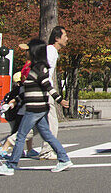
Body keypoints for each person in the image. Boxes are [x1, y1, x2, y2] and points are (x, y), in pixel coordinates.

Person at [0, 39, 72, 175]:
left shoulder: (39, 68)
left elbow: (47, 86)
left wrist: (59, 100)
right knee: (48, 135)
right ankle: (64, 159)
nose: (26, 53)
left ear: (34, 52)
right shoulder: (35, 68)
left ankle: (11, 165)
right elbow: (27, 91)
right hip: (38, 108)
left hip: (34, 109)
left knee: (21, 135)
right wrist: (13, 102)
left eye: (28, 50)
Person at [34, 26, 69, 160]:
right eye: (64, 35)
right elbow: (43, 73)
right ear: (57, 38)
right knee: (52, 123)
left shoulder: (51, 51)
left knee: (36, 124)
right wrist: (55, 95)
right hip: (44, 90)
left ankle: (8, 142)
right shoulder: (51, 51)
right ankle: (47, 151)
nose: (67, 38)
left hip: (42, 89)